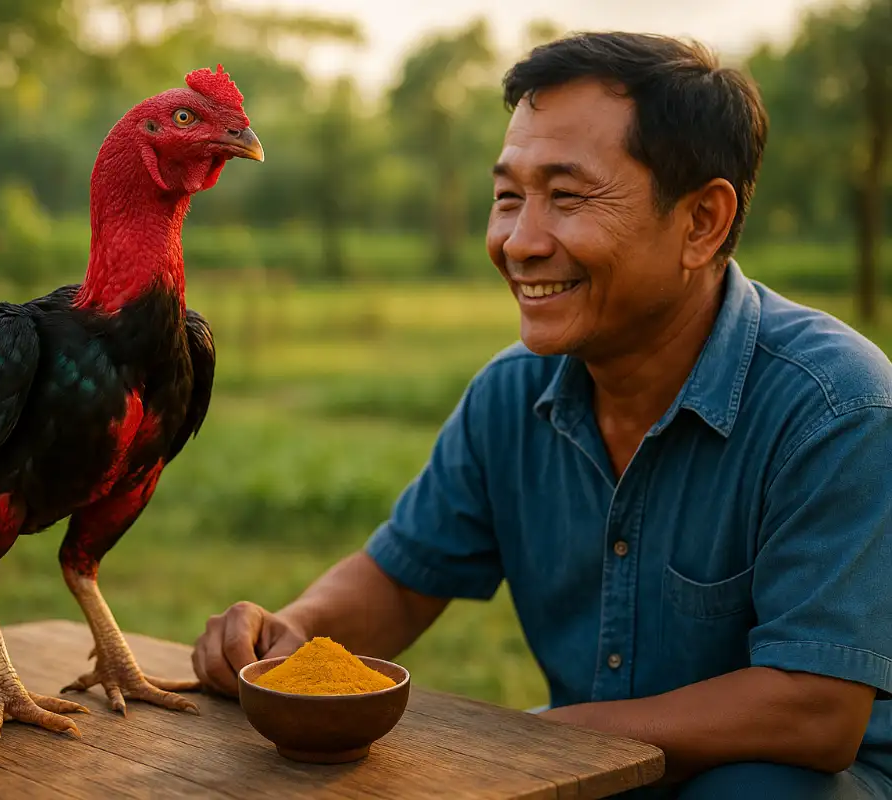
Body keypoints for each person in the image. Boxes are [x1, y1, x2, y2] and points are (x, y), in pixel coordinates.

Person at [190, 31, 892, 799]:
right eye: (507, 197)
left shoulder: (835, 405)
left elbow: (815, 713)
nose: (519, 242)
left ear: (702, 222)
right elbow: (401, 581)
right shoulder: (511, 394)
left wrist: (538, 741)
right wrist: (294, 632)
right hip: (596, 762)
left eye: (567, 197)